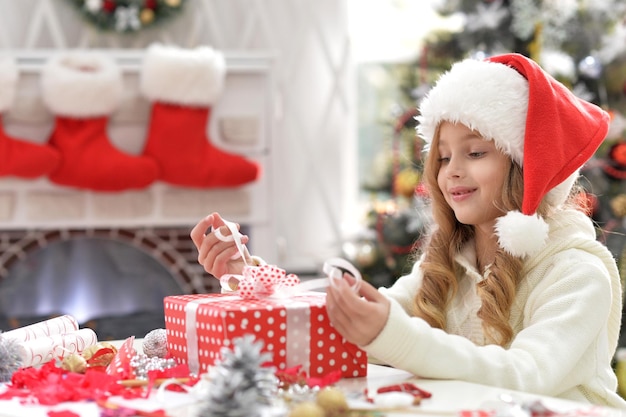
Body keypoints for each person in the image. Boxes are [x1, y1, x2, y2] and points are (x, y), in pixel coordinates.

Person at [190, 53, 626, 408]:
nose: (451, 172)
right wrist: (249, 277)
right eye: (442, 158)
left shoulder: (577, 273)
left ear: (528, 168)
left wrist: (391, 333)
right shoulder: (452, 260)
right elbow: (347, 328)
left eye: (474, 152)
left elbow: (526, 377)